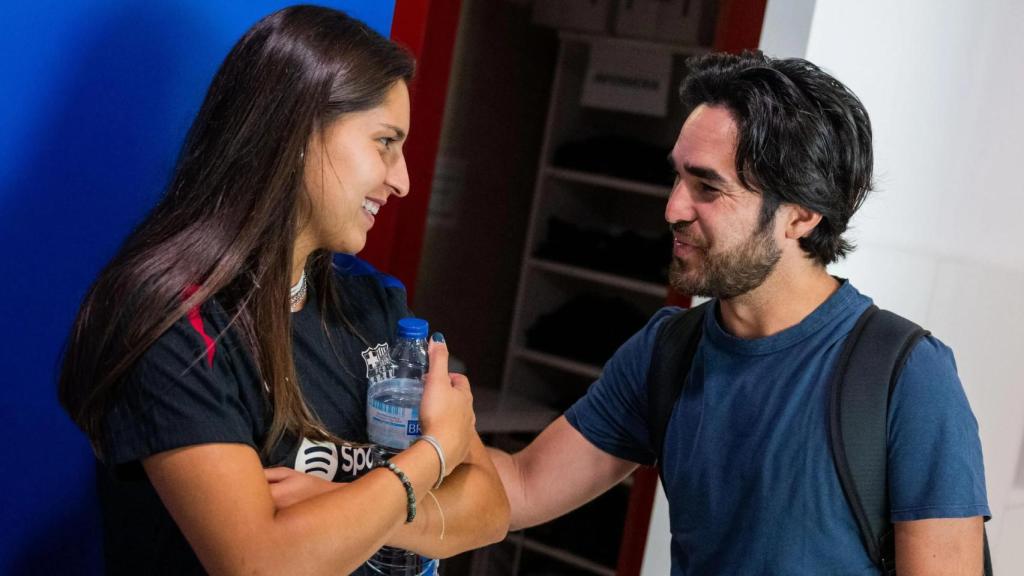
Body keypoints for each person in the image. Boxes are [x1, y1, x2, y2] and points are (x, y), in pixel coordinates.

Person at [488, 51, 989, 574]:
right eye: (678, 178)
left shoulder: (905, 376)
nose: (673, 209)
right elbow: (523, 487)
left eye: (708, 187)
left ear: (800, 215)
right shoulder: (669, 351)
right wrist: (423, 455)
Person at [58, 6, 508, 575]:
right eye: (384, 143)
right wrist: (429, 459)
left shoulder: (373, 303)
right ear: (297, 131)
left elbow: (490, 508)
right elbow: (262, 563)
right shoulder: (172, 324)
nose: (402, 181)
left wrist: (348, 509)